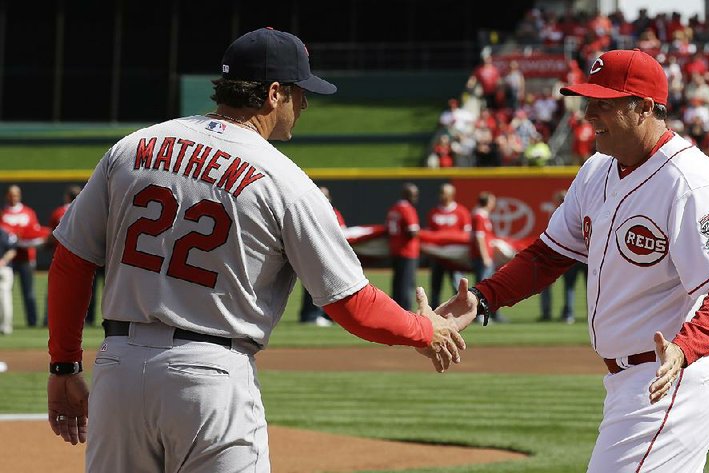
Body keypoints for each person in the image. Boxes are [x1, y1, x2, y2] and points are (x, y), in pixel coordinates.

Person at [45, 28, 470, 472]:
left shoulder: (133, 148)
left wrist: (62, 366)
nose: (303, 104)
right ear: (273, 94)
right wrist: (425, 330)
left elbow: (71, 262)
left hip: (118, 368)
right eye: (299, 93)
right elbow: (353, 305)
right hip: (209, 375)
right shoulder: (284, 181)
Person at [438, 49, 709, 471]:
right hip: (629, 380)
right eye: (588, 101)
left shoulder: (690, 183)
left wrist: (685, 348)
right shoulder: (596, 170)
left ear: (644, 108)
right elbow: (547, 255)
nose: (589, 114)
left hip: (670, 380)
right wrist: (482, 298)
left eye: (603, 103)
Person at [44, 185, 103, 327]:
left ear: (66, 197)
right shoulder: (91, 210)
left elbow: (53, 235)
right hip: (93, 255)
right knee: (100, 291)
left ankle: (52, 320)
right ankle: (105, 321)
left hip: (66, 257)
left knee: (60, 291)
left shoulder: (59, 212)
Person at [298, 186, 343, 326]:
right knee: (315, 286)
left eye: (326, 196)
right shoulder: (310, 212)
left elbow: (343, 233)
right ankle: (312, 316)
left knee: (323, 286)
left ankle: (314, 316)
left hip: (324, 255)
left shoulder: (332, 212)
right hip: (313, 254)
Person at [539, 189, 586, 324]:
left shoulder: (558, 214)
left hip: (571, 254)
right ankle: (578, 314)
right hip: (583, 255)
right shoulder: (581, 210)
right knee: (583, 287)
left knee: (570, 286)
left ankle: (569, 314)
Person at [1, 184, 41, 327]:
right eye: (11, 194)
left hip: (26, 257)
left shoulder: (28, 212)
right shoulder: (3, 213)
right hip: (8, 260)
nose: (14, 197)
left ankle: (32, 322)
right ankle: (6, 323)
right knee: (5, 293)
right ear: (7, 196)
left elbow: (35, 233)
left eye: (16, 194)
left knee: (29, 292)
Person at [426, 183, 471, 308]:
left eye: (444, 193)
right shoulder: (434, 212)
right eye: (440, 193)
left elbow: (466, 234)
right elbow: (429, 235)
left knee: (458, 285)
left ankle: (461, 309)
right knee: (435, 286)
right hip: (438, 256)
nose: (441, 196)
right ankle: (434, 311)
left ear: (451, 195)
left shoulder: (461, 212)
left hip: (454, 257)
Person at [470, 191, 507, 323]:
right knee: (483, 288)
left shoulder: (483, 216)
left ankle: (489, 314)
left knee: (489, 287)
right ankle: (480, 315)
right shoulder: (479, 216)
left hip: (487, 257)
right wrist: (485, 256)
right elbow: (479, 238)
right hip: (482, 258)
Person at [386, 182, 420, 310]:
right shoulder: (407, 209)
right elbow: (413, 231)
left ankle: (396, 311)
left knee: (398, 284)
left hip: (395, 250)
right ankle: (406, 313)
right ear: (407, 195)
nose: (416, 197)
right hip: (408, 251)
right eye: (414, 194)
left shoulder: (394, 208)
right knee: (406, 285)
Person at [0, 226, 17, 335]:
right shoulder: (4, 233)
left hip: (3, 269)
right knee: (5, 298)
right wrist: (3, 261)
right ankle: (6, 327)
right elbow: (12, 250)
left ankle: (5, 326)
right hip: (4, 268)